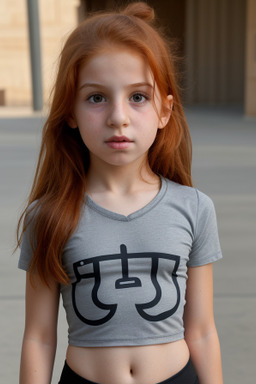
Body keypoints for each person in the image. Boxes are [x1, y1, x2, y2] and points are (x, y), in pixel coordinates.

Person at [17, 2, 223, 383]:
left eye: (138, 97)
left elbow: (202, 331)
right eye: (96, 97)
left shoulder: (194, 208)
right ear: (71, 113)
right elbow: (39, 338)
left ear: (165, 110)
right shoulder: (48, 216)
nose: (118, 117)